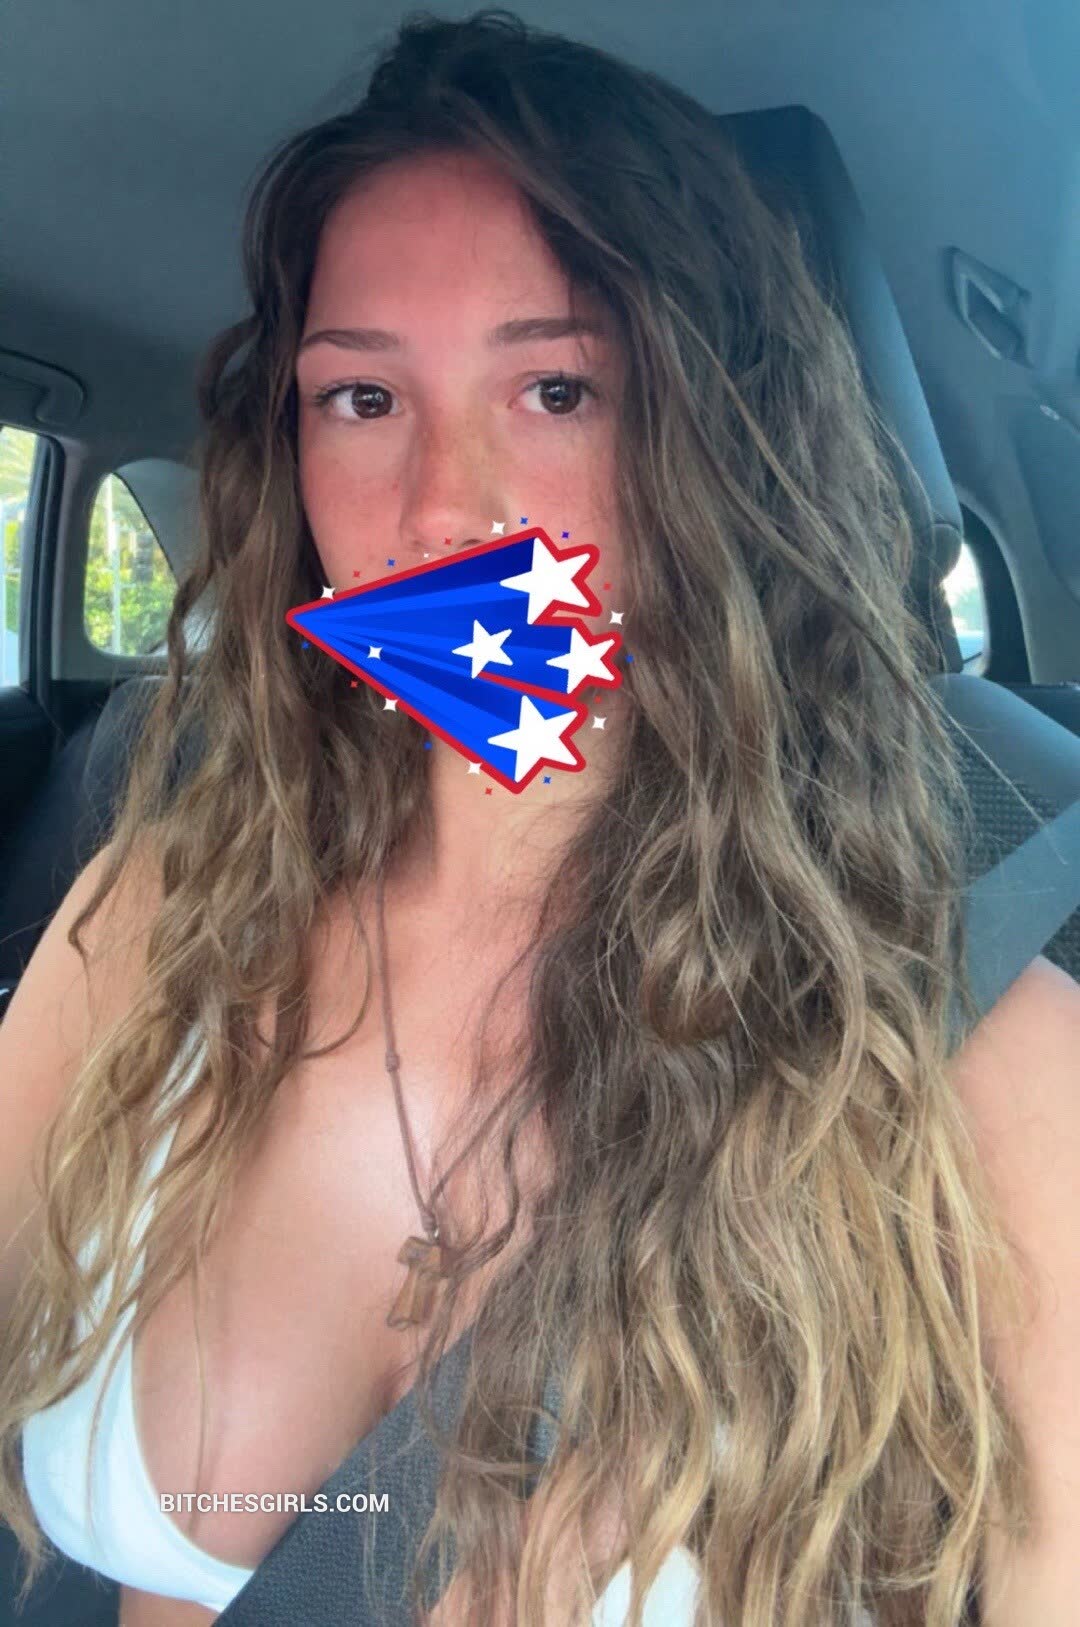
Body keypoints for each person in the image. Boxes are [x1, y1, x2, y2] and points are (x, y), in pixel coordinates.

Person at [2, 9, 1078, 1625]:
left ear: (719, 442)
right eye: (361, 397)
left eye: (558, 386)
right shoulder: (159, 911)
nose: (446, 504)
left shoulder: (977, 1051)